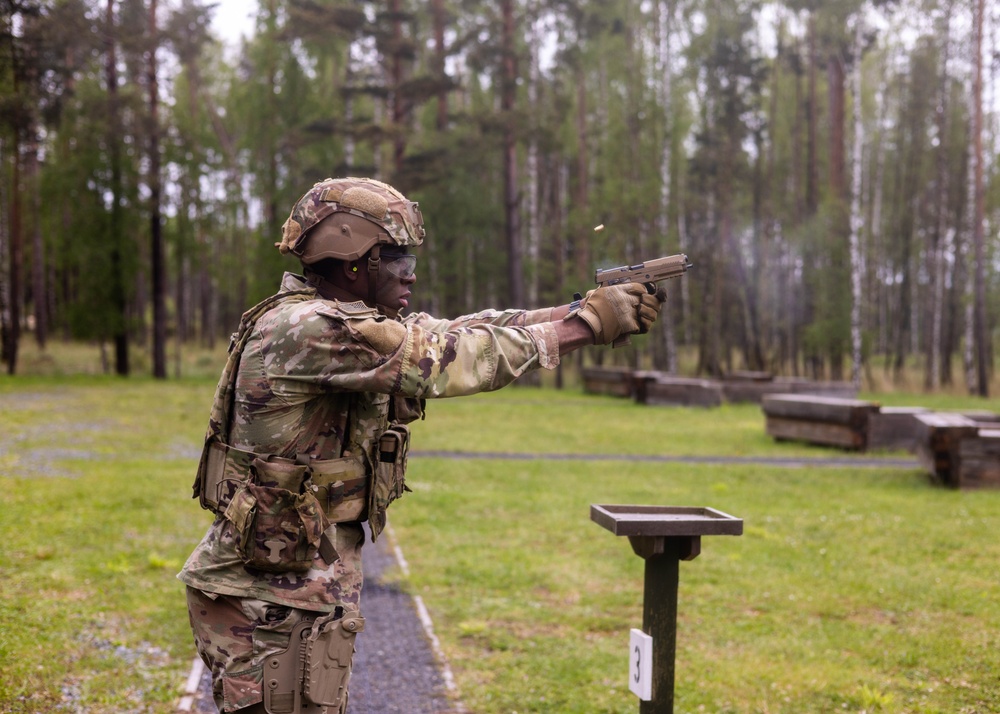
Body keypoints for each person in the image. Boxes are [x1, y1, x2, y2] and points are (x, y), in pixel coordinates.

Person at [178, 176, 664, 713]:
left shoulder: (345, 321)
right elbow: (448, 358)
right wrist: (590, 323)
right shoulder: (310, 328)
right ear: (351, 260)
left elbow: (467, 329)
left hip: (290, 586)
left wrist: (576, 312)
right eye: (394, 255)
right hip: (267, 600)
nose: (410, 269)